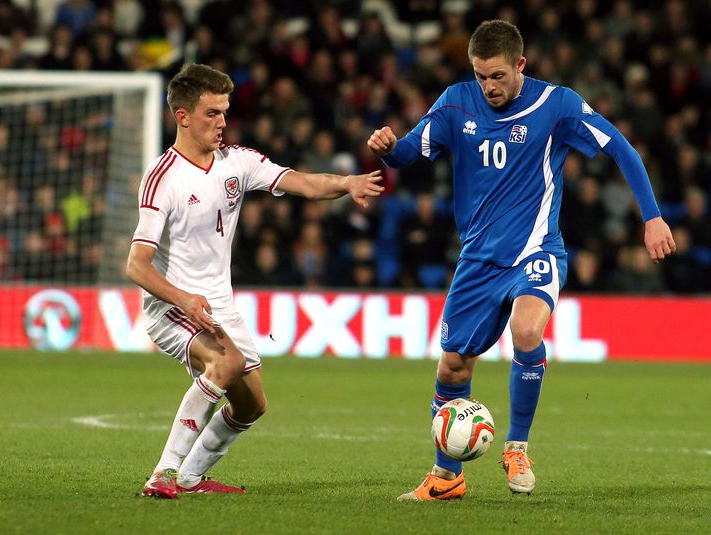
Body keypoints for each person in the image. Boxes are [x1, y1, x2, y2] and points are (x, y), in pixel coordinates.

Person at [367, 20, 675, 501]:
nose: (488, 86)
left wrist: (652, 217)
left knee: (527, 330)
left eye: (497, 76)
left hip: (536, 250)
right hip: (477, 260)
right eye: (480, 75)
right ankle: (446, 478)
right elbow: (410, 153)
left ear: (520, 66)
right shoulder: (455, 101)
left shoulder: (557, 105)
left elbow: (622, 148)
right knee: (452, 369)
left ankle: (517, 447)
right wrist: (388, 150)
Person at [126, 63, 383, 498]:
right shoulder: (163, 178)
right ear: (183, 117)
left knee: (252, 404)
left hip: (217, 305)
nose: (222, 122)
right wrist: (184, 298)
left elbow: (301, 182)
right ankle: (164, 473)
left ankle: (191, 477)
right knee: (224, 365)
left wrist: (347, 182)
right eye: (211, 113)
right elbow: (137, 265)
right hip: (172, 305)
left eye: (225, 112)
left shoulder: (237, 162)